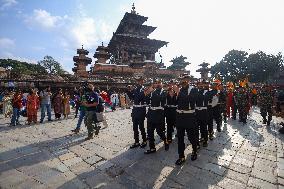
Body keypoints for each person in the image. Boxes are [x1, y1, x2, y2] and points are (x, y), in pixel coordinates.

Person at [173, 74, 198, 165]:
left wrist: (178, 92)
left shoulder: (193, 89)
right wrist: (172, 95)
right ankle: (181, 156)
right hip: (179, 116)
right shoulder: (179, 90)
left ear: (188, 80)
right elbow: (175, 102)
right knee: (180, 138)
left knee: (191, 137)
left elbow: (191, 100)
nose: (183, 81)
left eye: (185, 79)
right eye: (182, 79)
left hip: (189, 116)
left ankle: (194, 151)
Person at [144, 79, 169, 154]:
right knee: (150, 132)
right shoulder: (152, 92)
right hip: (151, 114)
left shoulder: (164, 92)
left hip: (159, 114)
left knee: (159, 131)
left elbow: (160, 100)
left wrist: (151, 92)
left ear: (162, 84)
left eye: (159, 83)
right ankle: (152, 148)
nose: (157, 84)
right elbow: (147, 101)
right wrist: (147, 94)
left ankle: (165, 140)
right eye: (156, 83)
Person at [129, 76, 147, 149]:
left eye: (140, 80)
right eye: (138, 80)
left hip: (141, 109)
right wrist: (130, 92)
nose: (139, 82)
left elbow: (140, 98)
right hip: (135, 109)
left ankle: (144, 140)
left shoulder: (144, 89)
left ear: (143, 81)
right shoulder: (136, 89)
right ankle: (136, 141)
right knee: (135, 127)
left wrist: (134, 93)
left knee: (141, 127)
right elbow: (133, 98)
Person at [196, 80, 209, 147]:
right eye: (199, 84)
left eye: (201, 84)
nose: (200, 85)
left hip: (204, 111)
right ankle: (198, 140)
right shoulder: (195, 91)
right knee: (196, 127)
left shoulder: (206, 92)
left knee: (203, 127)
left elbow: (204, 98)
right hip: (196, 111)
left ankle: (205, 140)